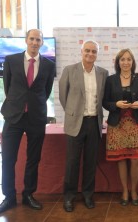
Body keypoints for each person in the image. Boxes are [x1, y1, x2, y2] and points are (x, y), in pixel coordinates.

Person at [0, 29, 55, 216]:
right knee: (8, 159)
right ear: (26, 40)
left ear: (42, 43)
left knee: (33, 159)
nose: (35, 42)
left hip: (36, 117)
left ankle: (28, 195)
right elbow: (7, 85)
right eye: (32, 39)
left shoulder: (48, 65)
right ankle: (9, 197)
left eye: (38, 40)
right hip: (14, 117)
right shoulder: (11, 60)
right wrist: (19, 103)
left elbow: (46, 90)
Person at [59, 40, 109, 212]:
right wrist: (73, 113)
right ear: (81, 51)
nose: (90, 54)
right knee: (72, 162)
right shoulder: (69, 70)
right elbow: (63, 97)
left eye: (94, 51)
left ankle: (88, 195)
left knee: (90, 162)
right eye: (87, 50)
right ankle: (69, 196)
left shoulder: (103, 73)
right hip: (75, 123)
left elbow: (103, 98)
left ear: (97, 54)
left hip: (94, 123)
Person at [103, 49, 138, 206]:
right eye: (122, 59)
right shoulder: (110, 80)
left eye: (129, 59)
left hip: (135, 123)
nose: (126, 62)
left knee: (136, 160)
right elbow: (105, 102)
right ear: (118, 62)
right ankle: (124, 191)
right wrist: (115, 104)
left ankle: (134, 190)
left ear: (133, 62)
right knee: (121, 159)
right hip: (117, 124)